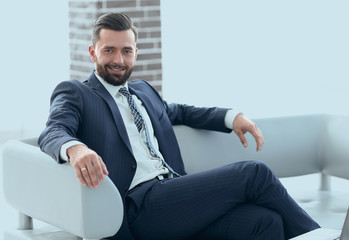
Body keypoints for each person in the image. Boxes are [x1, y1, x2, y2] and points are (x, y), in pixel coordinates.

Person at [38, 12, 320, 240]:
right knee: (255, 173)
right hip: (137, 207)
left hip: (175, 197)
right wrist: (76, 149)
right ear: (92, 52)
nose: (118, 60)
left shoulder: (142, 91)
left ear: (136, 52)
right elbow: (53, 130)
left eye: (126, 51)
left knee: (264, 222)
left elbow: (180, 112)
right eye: (108, 50)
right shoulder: (77, 92)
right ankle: (322, 237)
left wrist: (231, 117)